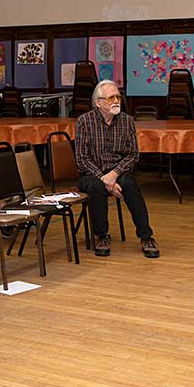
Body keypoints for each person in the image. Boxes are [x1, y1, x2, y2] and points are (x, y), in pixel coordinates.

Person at [75, 80, 160, 259]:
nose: (116, 101)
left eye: (118, 97)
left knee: (130, 184)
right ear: (98, 102)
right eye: (111, 98)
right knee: (96, 187)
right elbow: (82, 159)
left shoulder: (127, 121)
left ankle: (146, 237)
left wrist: (114, 175)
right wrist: (104, 178)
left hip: (118, 172)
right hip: (91, 173)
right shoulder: (84, 121)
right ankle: (102, 236)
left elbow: (133, 155)